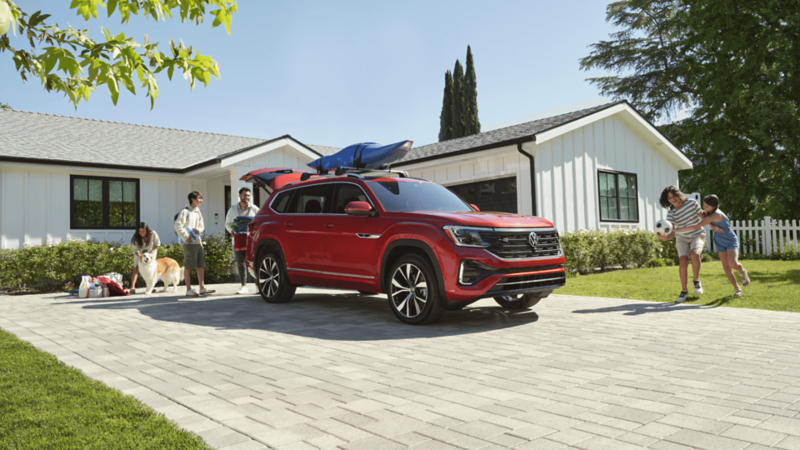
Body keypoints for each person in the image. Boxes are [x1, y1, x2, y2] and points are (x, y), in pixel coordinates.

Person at [674, 194, 750, 297]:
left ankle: (742, 272)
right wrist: (713, 225)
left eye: (706, 206)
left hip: (730, 240)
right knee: (726, 267)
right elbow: (705, 218)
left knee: (732, 263)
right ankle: (737, 289)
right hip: (719, 240)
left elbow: (697, 225)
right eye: (704, 205)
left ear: (714, 207)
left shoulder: (715, 215)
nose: (704, 208)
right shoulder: (709, 213)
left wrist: (676, 230)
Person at [658, 186, 706, 303]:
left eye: (674, 196)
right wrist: (665, 238)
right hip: (682, 238)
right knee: (683, 261)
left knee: (694, 254)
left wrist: (715, 225)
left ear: (679, 194)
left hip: (697, 234)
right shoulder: (671, 213)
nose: (672, 199)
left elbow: (704, 218)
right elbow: (672, 232)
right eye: (669, 198)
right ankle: (684, 290)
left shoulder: (692, 203)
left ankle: (696, 281)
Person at [174, 191, 215, 297]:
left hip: (198, 242)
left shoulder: (198, 212)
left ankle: (201, 288)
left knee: (201, 265)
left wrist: (199, 230)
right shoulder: (185, 211)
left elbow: (202, 226)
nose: (200, 200)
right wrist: (186, 237)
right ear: (192, 199)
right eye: (198, 198)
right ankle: (188, 290)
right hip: (189, 243)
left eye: (201, 198)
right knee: (188, 266)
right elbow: (177, 225)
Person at [225, 187, 260, 294]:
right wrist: (231, 230)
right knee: (241, 263)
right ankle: (244, 286)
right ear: (240, 196)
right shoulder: (233, 209)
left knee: (254, 262)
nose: (247, 197)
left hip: (251, 239)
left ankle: (258, 286)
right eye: (245, 195)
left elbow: (259, 221)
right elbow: (227, 223)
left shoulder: (255, 209)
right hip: (239, 238)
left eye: (249, 195)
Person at [130, 222, 160, 294]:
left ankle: (150, 287)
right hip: (139, 254)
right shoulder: (135, 237)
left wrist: (151, 253)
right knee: (136, 267)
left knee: (151, 269)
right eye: (140, 231)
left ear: (147, 230)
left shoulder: (153, 233)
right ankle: (132, 287)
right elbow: (135, 249)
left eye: (143, 231)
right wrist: (140, 256)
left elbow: (157, 243)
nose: (142, 233)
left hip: (151, 253)